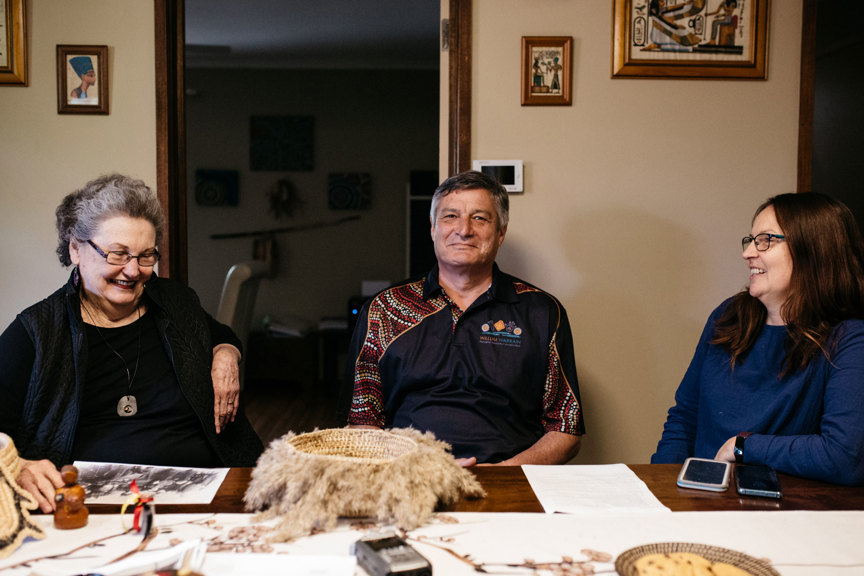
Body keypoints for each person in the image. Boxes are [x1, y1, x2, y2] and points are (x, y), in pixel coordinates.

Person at [0, 173, 263, 513]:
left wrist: (225, 355)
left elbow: (220, 335)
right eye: (118, 254)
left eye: (145, 256)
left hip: (208, 492)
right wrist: (18, 466)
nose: (133, 270)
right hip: (88, 508)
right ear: (76, 249)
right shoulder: (36, 331)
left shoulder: (176, 303)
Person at [344, 171, 585, 466]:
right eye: (450, 216)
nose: (464, 230)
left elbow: (565, 427)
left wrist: (504, 474)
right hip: (407, 476)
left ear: (501, 232)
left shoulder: (541, 312)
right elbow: (362, 420)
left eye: (480, 218)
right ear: (433, 228)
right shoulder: (385, 308)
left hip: (510, 477)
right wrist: (413, 471)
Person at [652, 192, 864, 486]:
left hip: (783, 508)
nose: (748, 253)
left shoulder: (850, 339)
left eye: (765, 240)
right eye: (751, 240)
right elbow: (685, 417)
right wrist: (662, 484)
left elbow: (844, 456)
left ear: (813, 248)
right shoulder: (727, 316)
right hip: (700, 500)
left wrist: (742, 447)